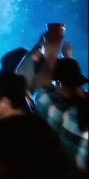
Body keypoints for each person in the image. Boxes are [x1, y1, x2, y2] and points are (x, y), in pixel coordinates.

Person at [32, 34, 88, 170]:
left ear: (59, 84)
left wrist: (48, 53)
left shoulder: (66, 116)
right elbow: (72, 81)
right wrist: (68, 58)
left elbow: (41, 94)